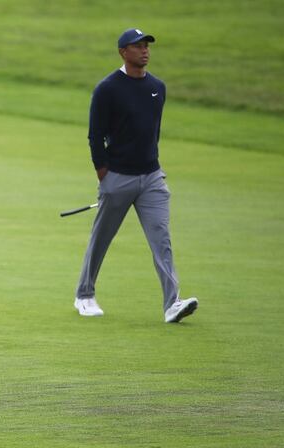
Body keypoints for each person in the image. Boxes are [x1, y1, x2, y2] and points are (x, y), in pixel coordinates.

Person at [73, 29, 198, 323]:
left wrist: (150, 169)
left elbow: (151, 134)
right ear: (122, 52)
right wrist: (105, 176)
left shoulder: (158, 87)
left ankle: (172, 304)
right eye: (137, 46)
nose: (144, 51)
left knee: (161, 240)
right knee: (101, 239)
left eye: (146, 46)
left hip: (152, 178)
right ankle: (85, 295)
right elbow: (95, 136)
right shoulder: (107, 89)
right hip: (117, 177)